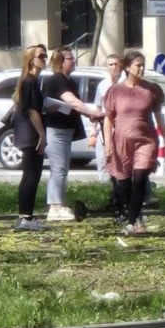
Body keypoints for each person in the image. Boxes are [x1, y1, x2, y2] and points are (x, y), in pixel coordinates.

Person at [103, 51, 165, 235]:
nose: (141, 69)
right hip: (121, 142)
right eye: (138, 65)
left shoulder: (151, 89)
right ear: (127, 67)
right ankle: (136, 216)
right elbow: (109, 118)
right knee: (124, 184)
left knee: (139, 179)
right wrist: (108, 143)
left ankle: (131, 223)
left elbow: (159, 116)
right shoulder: (115, 91)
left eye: (143, 65)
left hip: (145, 140)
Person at [42, 47, 101, 222]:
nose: (74, 61)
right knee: (58, 169)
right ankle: (55, 207)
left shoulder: (68, 81)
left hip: (65, 131)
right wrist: (92, 113)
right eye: (70, 58)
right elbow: (73, 102)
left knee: (62, 168)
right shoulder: (57, 80)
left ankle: (59, 203)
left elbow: (75, 104)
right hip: (56, 130)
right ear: (60, 62)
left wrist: (89, 114)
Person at [13, 45, 48, 231]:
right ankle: (26, 217)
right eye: (41, 56)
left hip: (29, 132)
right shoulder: (30, 81)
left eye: (45, 56)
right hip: (31, 133)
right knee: (32, 175)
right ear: (31, 60)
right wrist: (42, 134)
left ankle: (25, 216)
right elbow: (33, 111)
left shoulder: (31, 81)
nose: (44, 59)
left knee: (31, 174)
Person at [88, 54, 123, 215]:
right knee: (103, 161)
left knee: (120, 163)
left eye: (116, 64)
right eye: (110, 65)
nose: (114, 67)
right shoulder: (102, 86)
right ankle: (106, 194)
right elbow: (97, 108)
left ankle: (121, 196)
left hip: (121, 129)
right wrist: (93, 131)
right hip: (104, 128)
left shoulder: (125, 84)